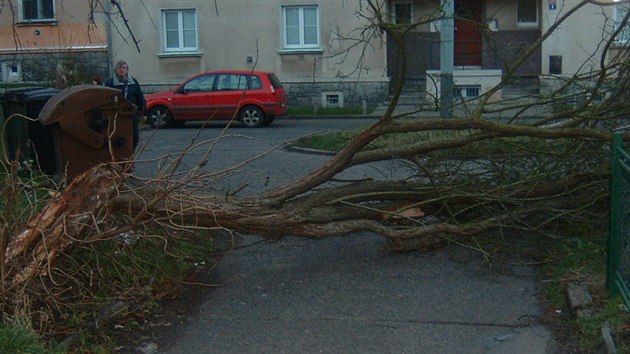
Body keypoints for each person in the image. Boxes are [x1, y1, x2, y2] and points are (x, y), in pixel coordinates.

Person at [104, 60, 146, 150]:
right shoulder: (110, 83)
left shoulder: (133, 83)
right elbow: (105, 98)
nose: (121, 70)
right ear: (116, 70)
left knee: (134, 138)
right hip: (116, 115)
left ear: (127, 70)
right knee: (118, 138)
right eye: (119, 68)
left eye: (124, 67)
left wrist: (143, 112)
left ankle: (130, 156)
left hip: (131, 115)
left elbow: (140, 98)